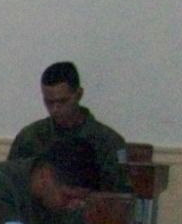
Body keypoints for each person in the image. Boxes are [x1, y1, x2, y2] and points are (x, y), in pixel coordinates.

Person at [8, 61, 129, 192]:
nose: (55, 109)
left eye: (63, 101)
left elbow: (120, 195)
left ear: (79, 95)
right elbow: (11, 186)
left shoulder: (110, 143)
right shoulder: (29, 138)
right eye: (49, 102)